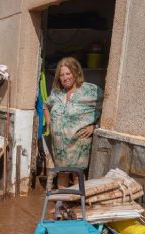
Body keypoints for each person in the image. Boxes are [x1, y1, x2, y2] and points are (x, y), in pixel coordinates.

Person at [43, 57, 103, 187]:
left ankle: (75, 205)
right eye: (62, 75)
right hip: (60, 147)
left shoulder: (90, 91)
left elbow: (107, 108)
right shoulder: (57, 92)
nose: (65, 78)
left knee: (77, 175)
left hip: (78, 145)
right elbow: (45, 106)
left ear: (76, 73)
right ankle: (62, 205)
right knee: (62, 174)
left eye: (68, 73)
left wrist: (95, 127)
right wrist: (49, 123)